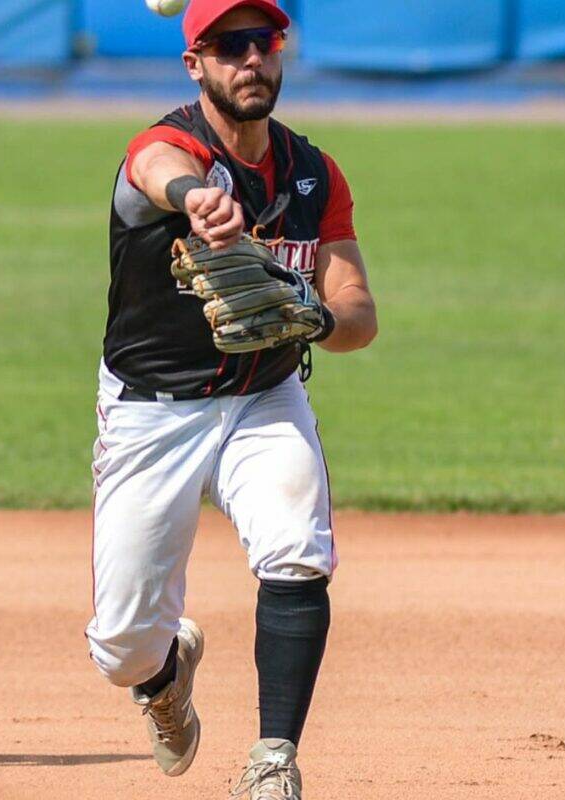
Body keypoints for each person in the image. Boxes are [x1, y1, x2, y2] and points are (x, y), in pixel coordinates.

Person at [83, 0, 378, 797]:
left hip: (264, 396)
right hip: (153, 410)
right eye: (229, 45)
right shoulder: (165, 147)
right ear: (196, 64)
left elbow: (359, 315)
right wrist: (195, 197)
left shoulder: (313, 173)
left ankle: (273, 759)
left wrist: (314, 316)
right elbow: (153, 167)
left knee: (297, 546)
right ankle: (163, 671)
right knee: (119, 648)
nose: (251, 59)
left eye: (264, 41)